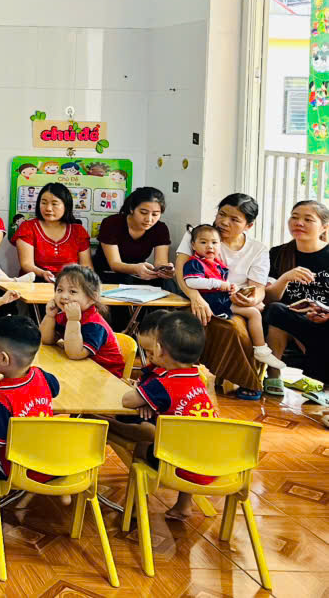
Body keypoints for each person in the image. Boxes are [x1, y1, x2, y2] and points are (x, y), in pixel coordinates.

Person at [109, 312, 216, 519]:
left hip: (180, 468)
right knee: (189, 443)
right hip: (211, 464)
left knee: (143, 445)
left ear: (158, 349)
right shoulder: (197, 379)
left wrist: (142, 394)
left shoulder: (164, 383)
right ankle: (183, 505)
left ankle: (137, 506)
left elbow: (128, 401)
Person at [172, 194, 270, 399]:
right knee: (201, 323)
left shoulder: (257, 249)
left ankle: (247, 379)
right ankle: (182, 376)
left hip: (232, 303)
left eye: (234, 219)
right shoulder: (199, 234)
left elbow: (258, 288)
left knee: (236, 327)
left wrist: (252, 299)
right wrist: (196, 298)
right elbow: (181, 272)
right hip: (196, 298)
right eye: (222, 214)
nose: (224, 222)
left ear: (248, 226)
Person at [182, 225, 283, 369]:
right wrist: (218, 284)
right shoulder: (195, 263)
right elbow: (191, 281)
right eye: (203, 242)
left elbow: (225, 283)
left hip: (221, 298)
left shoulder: (217, 264)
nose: (209, 246)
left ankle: (261, 350)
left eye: (214, 243)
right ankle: (261, 349)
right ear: (193, 245)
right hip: (211, 302)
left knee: (258, 308)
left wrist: (232, 288)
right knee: (253, 313)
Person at [0, 315, 59, 482]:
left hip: (20, 467)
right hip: (50, 461)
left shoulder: (0, 398)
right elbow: (55, 389)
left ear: (3, 358)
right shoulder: (43, 376)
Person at [264, 200, 329, 387]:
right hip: (289, 318)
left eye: (308, 219)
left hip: (323, 320)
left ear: (324, 227)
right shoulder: (278, 254)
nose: (299, 223)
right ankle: (273, 378)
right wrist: (285, 278)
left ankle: (322, 384)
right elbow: (268, 298)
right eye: (294, 217)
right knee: (276, 311)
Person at [40, 264, 124, 377]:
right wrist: (50, 316)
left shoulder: (95, 325)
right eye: (60, 290)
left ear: (92, 297)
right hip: (82, 369)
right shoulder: (64, 314)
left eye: (72, 291)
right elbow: (46, 340)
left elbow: (74, 353)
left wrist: (73, 320)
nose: (64, 296)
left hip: (106, 376)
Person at [93, 187, 173, 283]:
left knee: (167, 283)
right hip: (108, 273)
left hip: (137, 274)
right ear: (132, 209)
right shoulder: (112, 223)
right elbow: (114, 264)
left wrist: (164, 270)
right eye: (143, 213)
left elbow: (160, 262)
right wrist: (136, 269)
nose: (149, 219)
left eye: (155, 214)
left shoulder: (160, 228)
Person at [14, 183, 92, 281]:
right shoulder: (28, 227)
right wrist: (43, 273)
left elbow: (86, 266)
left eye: (54, 204)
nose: (48, 208)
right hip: (36, 281)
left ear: (66, 205)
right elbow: (26, 264)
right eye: (44, 203)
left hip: (70, 283)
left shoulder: (78, 231)